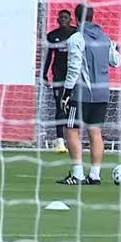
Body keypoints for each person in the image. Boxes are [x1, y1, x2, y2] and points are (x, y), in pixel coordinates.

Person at [57, 3, 121, 185]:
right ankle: (95, 175)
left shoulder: (77, 38)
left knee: (70, 129)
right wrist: (116, 48)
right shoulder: (106, 38)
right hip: (102, 92)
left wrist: (67, 91)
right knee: (95, 131)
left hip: (81, 93)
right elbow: (115, 61)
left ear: (76, 19)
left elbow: (74, 67)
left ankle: (77, 174)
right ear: (93, 17)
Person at [42, 9, 77, 153]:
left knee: (74, 108)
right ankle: (60, 142)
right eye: (61, 17)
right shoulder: (52, 36)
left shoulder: (77, 34)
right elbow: (49, 56)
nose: (63, 19)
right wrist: (44, 74)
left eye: (66, 17)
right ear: (57, 20)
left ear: (70, 20)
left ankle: (73, 140)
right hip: (58, 76)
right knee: (60, 107)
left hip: (74, 77)